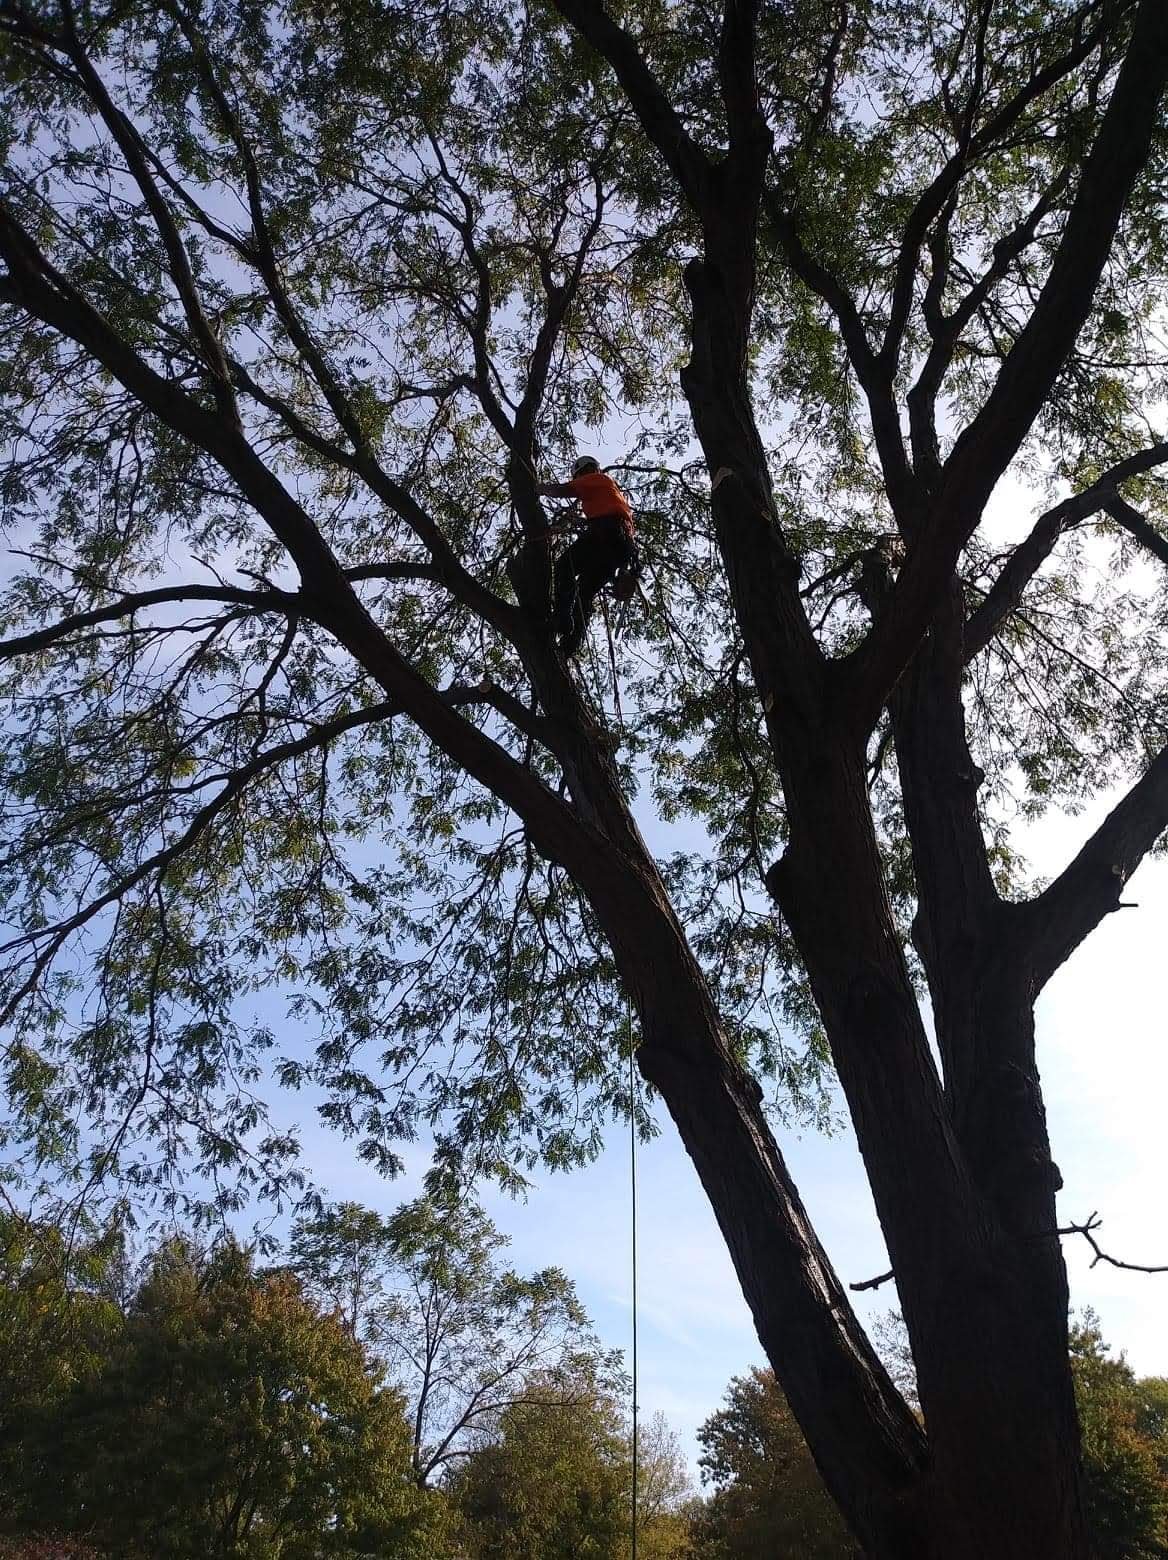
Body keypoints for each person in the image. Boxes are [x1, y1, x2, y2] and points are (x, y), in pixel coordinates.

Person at [537, 456, 636, 655]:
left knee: (565, 566)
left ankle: (562, 618)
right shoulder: (610, 493)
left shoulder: (596, 479)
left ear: (583, 472)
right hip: (620, 547)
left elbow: (563, 490)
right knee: (584, 594)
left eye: (578, 477)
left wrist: (538, 488)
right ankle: (569, 646)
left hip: (605, 534)